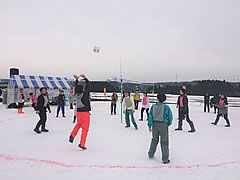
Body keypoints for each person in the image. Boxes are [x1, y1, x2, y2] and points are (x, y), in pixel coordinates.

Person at [148, 93, 173, 164]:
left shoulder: (153, 106)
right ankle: (165, 159)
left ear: (157, 99)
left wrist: (150, 125)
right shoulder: (166, 107)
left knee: (154, 139)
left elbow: (150, 116)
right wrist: (168, 123)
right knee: (164, 141)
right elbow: (170, 116)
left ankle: (151, 153)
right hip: (163, 124)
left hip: (155, 124)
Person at [69, 74, 91, 150]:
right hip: (85, 112)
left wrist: (76, 80)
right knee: (85, 129)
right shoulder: (85, 95)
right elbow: (88, 87)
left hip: (78, 112)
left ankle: (72, 135)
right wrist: (85, 78)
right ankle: (82, 144)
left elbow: (76, 88)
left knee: (78, 124)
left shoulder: (76, 94)